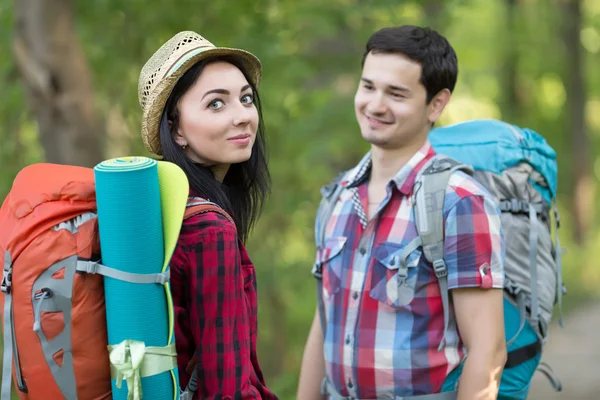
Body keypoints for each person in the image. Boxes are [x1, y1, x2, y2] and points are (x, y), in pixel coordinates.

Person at [298, 25, 506, 400]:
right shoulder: (338, 197)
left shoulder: (459, 201)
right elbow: (323, 322)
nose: (375, 105)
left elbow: (488, 351)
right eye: (368, 87)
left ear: (436, 104)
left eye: (396, 94)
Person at [138, 31, 278, 399]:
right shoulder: (208, 228)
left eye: (246, 99)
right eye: (216, 104)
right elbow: (226, 387)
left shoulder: (157, 205)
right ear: (175, 128)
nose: (243, 117)